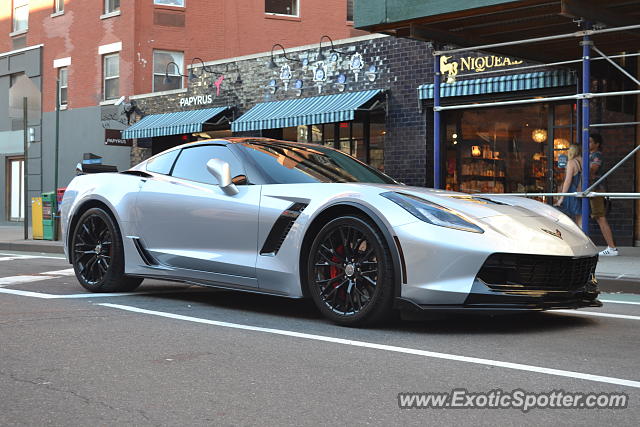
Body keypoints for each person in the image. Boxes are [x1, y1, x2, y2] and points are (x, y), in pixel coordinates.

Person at [589, 134, 618, 256]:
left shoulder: (597, 155)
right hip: (592, 190)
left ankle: (612, 248)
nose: (588, 144)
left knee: (600, 217)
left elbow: (593, 169)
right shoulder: (590, 155)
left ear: (597, 144)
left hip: (596, 190)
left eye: (590, 142)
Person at [554, 144, 582, 225]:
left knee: (569, 220)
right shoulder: (584, 161)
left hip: (571, 193)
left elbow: (568, 181)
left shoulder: (571, 163)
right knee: (580, 219)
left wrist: (562, 197)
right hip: (580, 191)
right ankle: (581, 236)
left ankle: (574, 237)